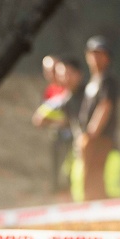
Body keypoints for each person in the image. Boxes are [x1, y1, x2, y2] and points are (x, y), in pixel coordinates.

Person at [32, 56, 86, 200]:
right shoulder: (53, 92)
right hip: (59, 137)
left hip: (76, 139)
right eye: (47, 70)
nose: (50, 73)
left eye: (53, 69)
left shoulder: (77, 92)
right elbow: (41, 116)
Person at [77, 35, 120, 201]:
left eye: (100, 53)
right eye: (92, 53)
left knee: (96, 177)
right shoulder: (92, 81)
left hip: (100, 140)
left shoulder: (107, 80)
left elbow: (105, 106)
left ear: (107, 57)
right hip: (91, 140)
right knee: (87, 177)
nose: (95, 57)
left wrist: (90, 134)